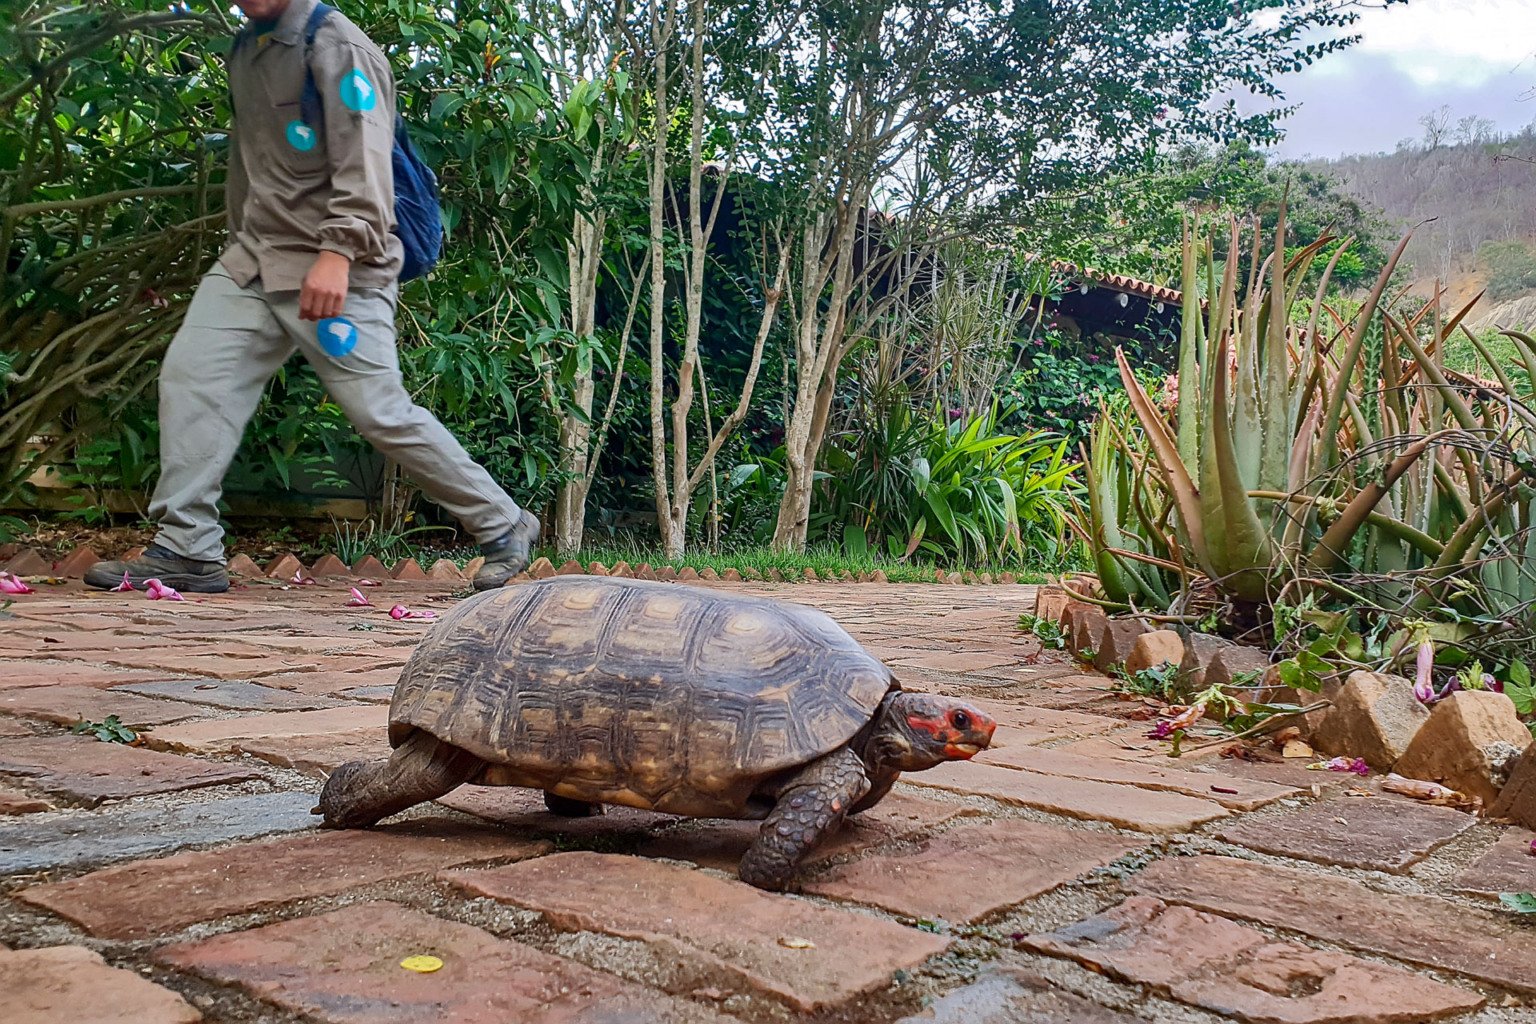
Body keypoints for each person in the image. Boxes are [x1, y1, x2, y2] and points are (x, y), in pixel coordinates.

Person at [86, 0, 538, 595]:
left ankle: (503, 523)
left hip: (337, 266)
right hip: (253, 261)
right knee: (192, 379)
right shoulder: (246, 48)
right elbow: (252, 167)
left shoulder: (336, 46)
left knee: (379, 411)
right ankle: (187, 546)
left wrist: (339, 252)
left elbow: (366, 163)